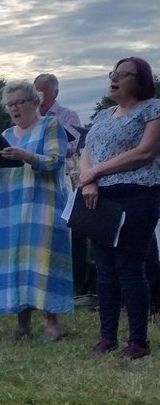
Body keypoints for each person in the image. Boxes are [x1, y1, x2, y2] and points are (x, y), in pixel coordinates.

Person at [0, 80, 73, 340]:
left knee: (44, 262)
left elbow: (55, 162)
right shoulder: (7, 135)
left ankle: (53, 324)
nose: (14, 108)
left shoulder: (50, 126)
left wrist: (25, 155)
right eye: (10, 105)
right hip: (12, 208)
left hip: (43, 206)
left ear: (35, 102)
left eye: (19, 102)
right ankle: (23, 324)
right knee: (17, 262)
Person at [79, 56, 160, 358]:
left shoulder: (153, 109)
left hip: (136, 194)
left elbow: (145, 152)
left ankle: (138, 340)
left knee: (129, 267)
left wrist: (96, 172)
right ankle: (107, 336)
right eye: (113, 73)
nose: (115, 78)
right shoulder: (102, 115)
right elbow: (87, 151)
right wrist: (88, 180)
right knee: (104, 269)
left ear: (140, 81)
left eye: (124, 74)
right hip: (98, 196)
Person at [34, 73, 82, 181]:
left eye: (43, 92)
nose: (39, 96)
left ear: (55, 93)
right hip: (33, 175)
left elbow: (70, 148)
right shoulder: (29, 118)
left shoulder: (69, 116)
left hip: (61, 176)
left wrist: (32, 150)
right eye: (36, 92)